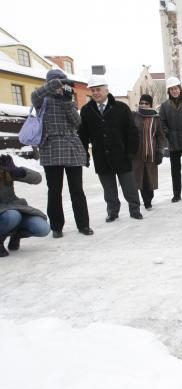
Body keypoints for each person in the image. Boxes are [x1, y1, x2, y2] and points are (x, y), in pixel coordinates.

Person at [31, 69, 93, 238]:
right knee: (54, 190)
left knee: (77, 190)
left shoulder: (68, 100)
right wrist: (56, 83)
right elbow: (34, 94)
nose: (61, 86)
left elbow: (77, 122)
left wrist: (67, 101)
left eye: (63, 83)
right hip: (51, 148)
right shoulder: (42, 100)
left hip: (72, 148)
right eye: (59, 83)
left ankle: (83, 225)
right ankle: (57, 227)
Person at [78, 75, 143, 222]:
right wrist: (84, 155)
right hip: (101, 156)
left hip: (122, 155)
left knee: (129, 186)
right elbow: (83, 135)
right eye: (93, 90)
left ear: (106, 90)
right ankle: (113, 211)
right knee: (108, 189)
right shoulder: (87, 111)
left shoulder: (121, 108)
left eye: (98, 89)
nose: (95, 93)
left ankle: (135, 209)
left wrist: (131, 152)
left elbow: (132, 132)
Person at [0, 155, 50, 257]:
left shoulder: (3, 167)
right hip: (8, 214)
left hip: (15, 207)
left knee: (42, 228)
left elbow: (37, 178)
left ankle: (16, 234)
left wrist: (18, 171)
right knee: (13, 216)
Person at [159, 77, 182, 203]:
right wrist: (167, 133)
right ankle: (176, 194)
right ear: (169, 91)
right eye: (172, 89)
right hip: (173, 142)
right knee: (175, 171)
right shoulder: (164, 106)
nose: (174, 91)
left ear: (180, 89)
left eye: (176, 88)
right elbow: (162, 122)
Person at [132, 95, 166, 209]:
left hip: (152, 153)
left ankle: (149, 197)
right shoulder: (134, 116)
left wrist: (160, 152)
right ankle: (146, 201)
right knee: (141, 178)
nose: (144, 105)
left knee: (150, 178)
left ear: (150, 105)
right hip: (137, 153)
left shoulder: (156, 118)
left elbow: (160, 136)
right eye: (142, 103)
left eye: (146, 103)